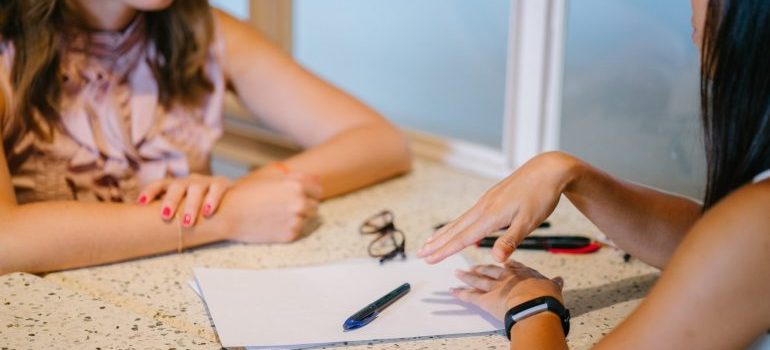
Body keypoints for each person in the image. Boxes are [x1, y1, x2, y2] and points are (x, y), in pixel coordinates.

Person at [418, 0, 770, 348]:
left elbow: (737, 244)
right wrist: (570, 173)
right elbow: (715, 244)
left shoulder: (758, 221)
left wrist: (531, 307)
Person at [0, 0, 411, 275]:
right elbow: (6, 241)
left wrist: (242, 192)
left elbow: (380, 141)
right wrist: (224, 216)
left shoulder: (206, 29)